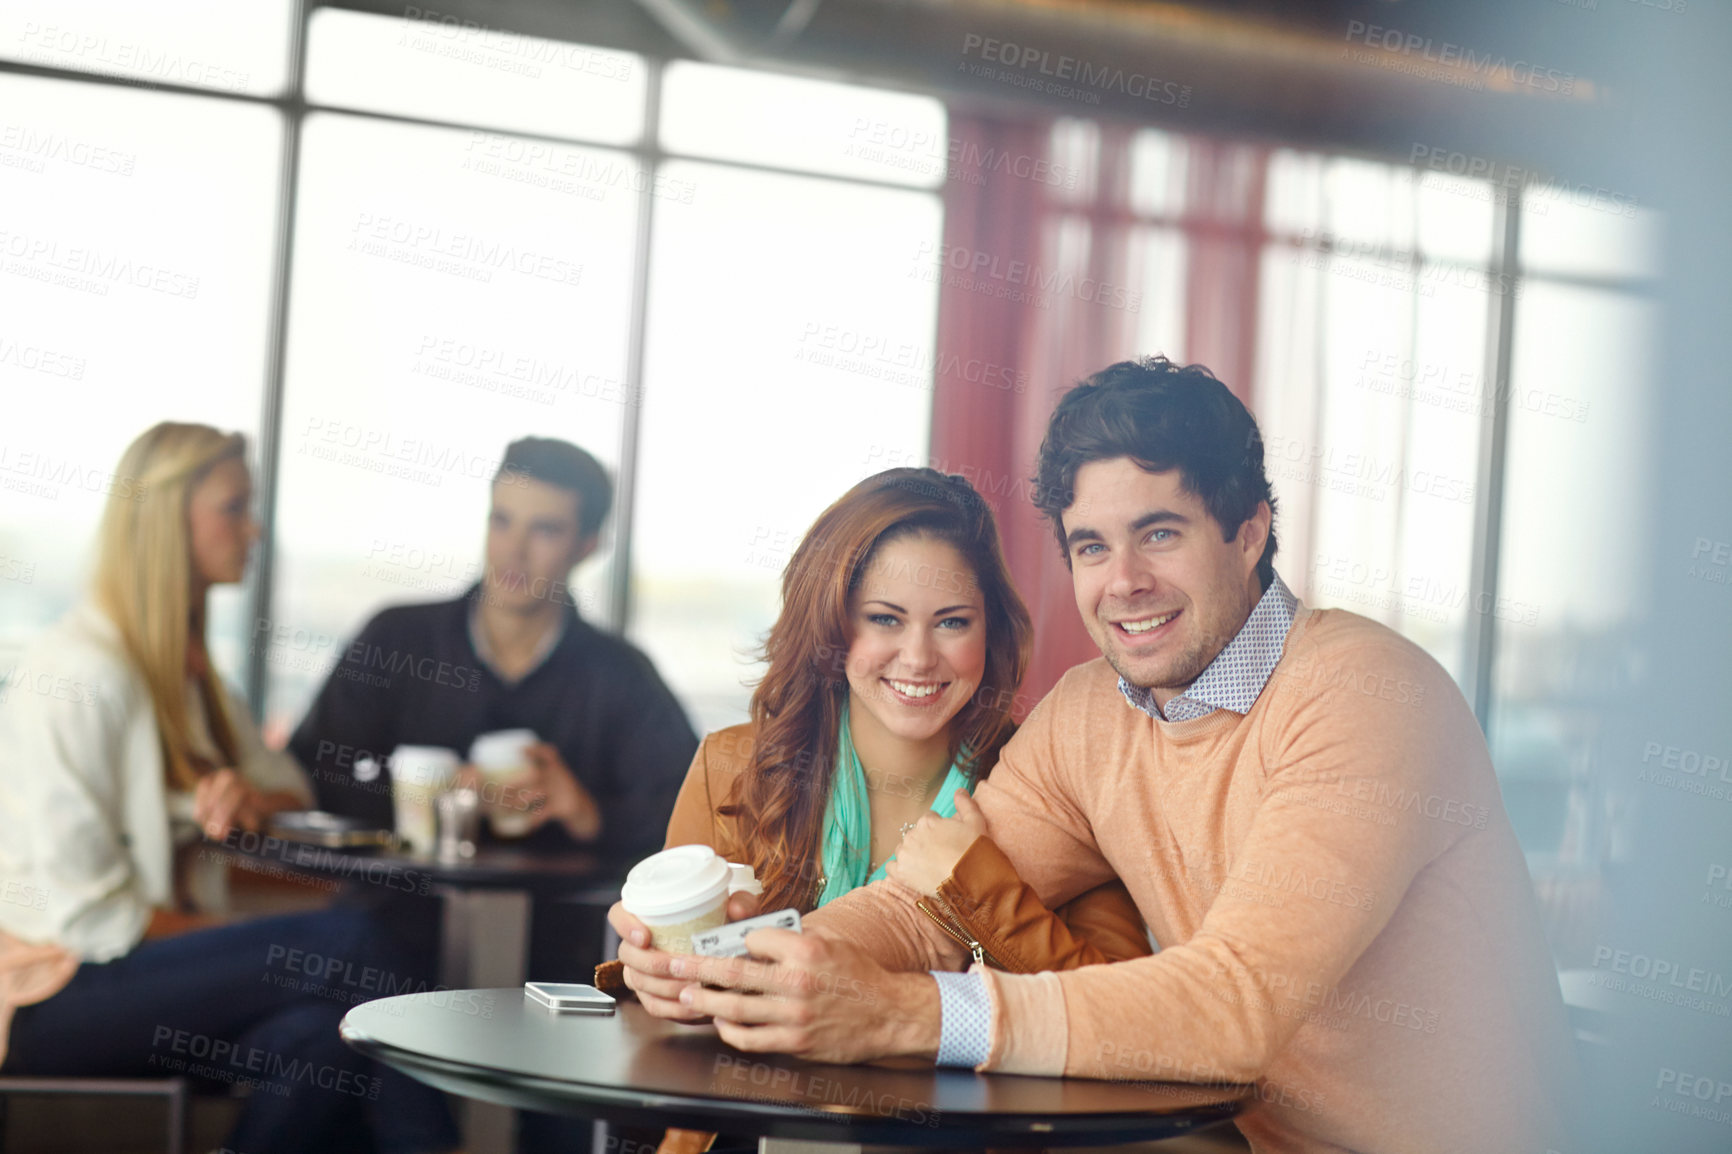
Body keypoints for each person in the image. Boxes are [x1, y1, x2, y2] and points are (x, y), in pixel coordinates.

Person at [611, 359, 1580, 1154]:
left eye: (1158, 532)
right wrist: (759, 966)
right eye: (1089, 545)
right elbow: (918, 906)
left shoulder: (1366, 692)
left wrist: (904, 1014)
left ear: (1249, 530)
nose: (1123, 582)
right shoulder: (1090, 712)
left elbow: (1232, 1000)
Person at [599, 466, 1151, 1154]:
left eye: (952, 622)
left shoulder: (1052, 784)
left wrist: (981, 890)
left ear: (992, 632)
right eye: (884, 619)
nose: (918, 658)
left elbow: (1127, 1021)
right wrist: (656, 978)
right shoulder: (736, 767)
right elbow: (662, 1029)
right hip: (750, 1133)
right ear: (832, 627)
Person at [0, 422, 458, 1154]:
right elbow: (93, 927)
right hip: (56, 995)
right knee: (354, 942)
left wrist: (249, 799)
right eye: (234, 507)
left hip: (135, 971)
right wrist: (258, 944)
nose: (254, 528)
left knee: (329, 1038)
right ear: (167, 519)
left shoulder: (189, 674)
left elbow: (288, 788)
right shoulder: (83, 675)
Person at [290, 436, 697, 865]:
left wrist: (588, 813)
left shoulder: (621, 676)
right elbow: (310, 775)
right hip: (388, 917)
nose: (513, 551)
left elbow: (693, 818)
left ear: (587, 546)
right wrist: (422, 795)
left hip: (558, 927)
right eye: (501, 521)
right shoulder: (395, 640)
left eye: (545, 530)